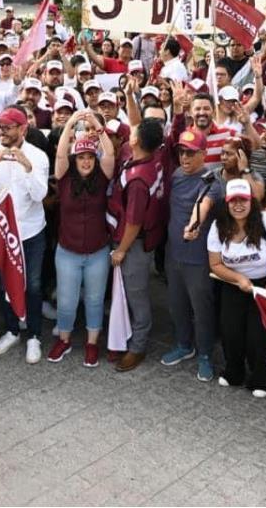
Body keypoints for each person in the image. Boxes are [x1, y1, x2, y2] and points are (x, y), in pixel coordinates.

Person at [0, 107, 50, 362]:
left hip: (31, 232)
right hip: (3, 233)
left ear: (23, 129)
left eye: (7, 127)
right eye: (0, 127)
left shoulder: (38, 156)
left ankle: (34, 335)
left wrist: (27, 168)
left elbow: (40, 196)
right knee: (7, 283)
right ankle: (12, 330)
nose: (2, 131)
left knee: (34, 284)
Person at [207, 179, 266, 398]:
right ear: (226, 203)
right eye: (233, 201)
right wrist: (238, 278)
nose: (238, 205)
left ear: (252, 201)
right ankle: (234, 371)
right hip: (234, 284)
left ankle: (260, 377)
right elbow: (215, 264)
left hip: (264, 284)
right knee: (230, 331)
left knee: (259, 335)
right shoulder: (219, 225)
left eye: (243, 200)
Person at [48, 121, 115, 367]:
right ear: (74, 160)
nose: (86, 161)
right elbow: (59, 152)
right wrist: (72, 121)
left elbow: (109, 153)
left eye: (89, 157)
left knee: (95, 300)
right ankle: (64, 340)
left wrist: (97, 125)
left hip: (98, 251)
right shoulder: (64, 178)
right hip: (67, 252)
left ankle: (91, 343)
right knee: (66, 301)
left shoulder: (103, 177)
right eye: (81, 157)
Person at [108, 117, 167, 372]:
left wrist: (121, 250)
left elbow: (134, 222)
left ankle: (138, 345)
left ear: (135, 140)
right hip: (145, 237)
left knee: (137, 293)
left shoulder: (138, 180)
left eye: (133, 131)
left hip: (134, 243)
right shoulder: (152, 158)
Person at [161, 129, 218, 382]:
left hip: (198, 259)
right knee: (177, 305)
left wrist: (194, 226)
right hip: (174, 256)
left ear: (203, 155)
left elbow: (202, 205)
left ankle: (205, 354)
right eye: (182, 152)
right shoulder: (176, 174)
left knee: (202, 309)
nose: (185, 157)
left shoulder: (213, 181)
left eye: (191, 153)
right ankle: (185, 345)